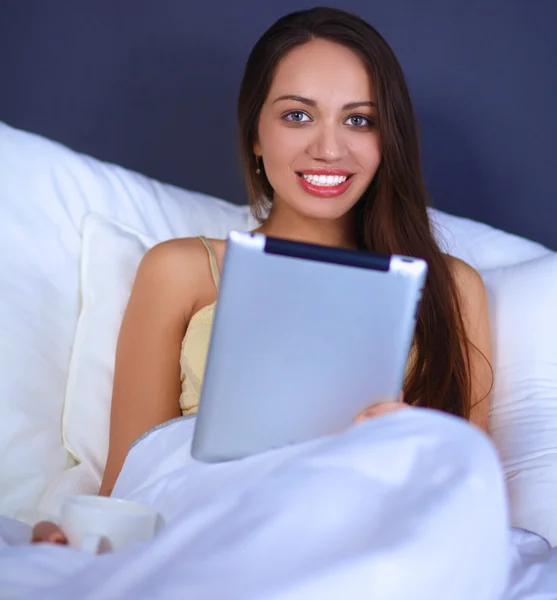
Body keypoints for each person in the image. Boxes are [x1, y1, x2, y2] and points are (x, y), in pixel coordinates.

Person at [31, 6, 492, 545]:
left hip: (368, 531)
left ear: (386, 140)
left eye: (358, 119)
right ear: (255, 134)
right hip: (213, 530)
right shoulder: (180, 272)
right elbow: (133, 483)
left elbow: (471, 495)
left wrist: (409, 442)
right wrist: (77, 539)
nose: (328, 148)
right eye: (298, 115)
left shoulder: (449, 289)